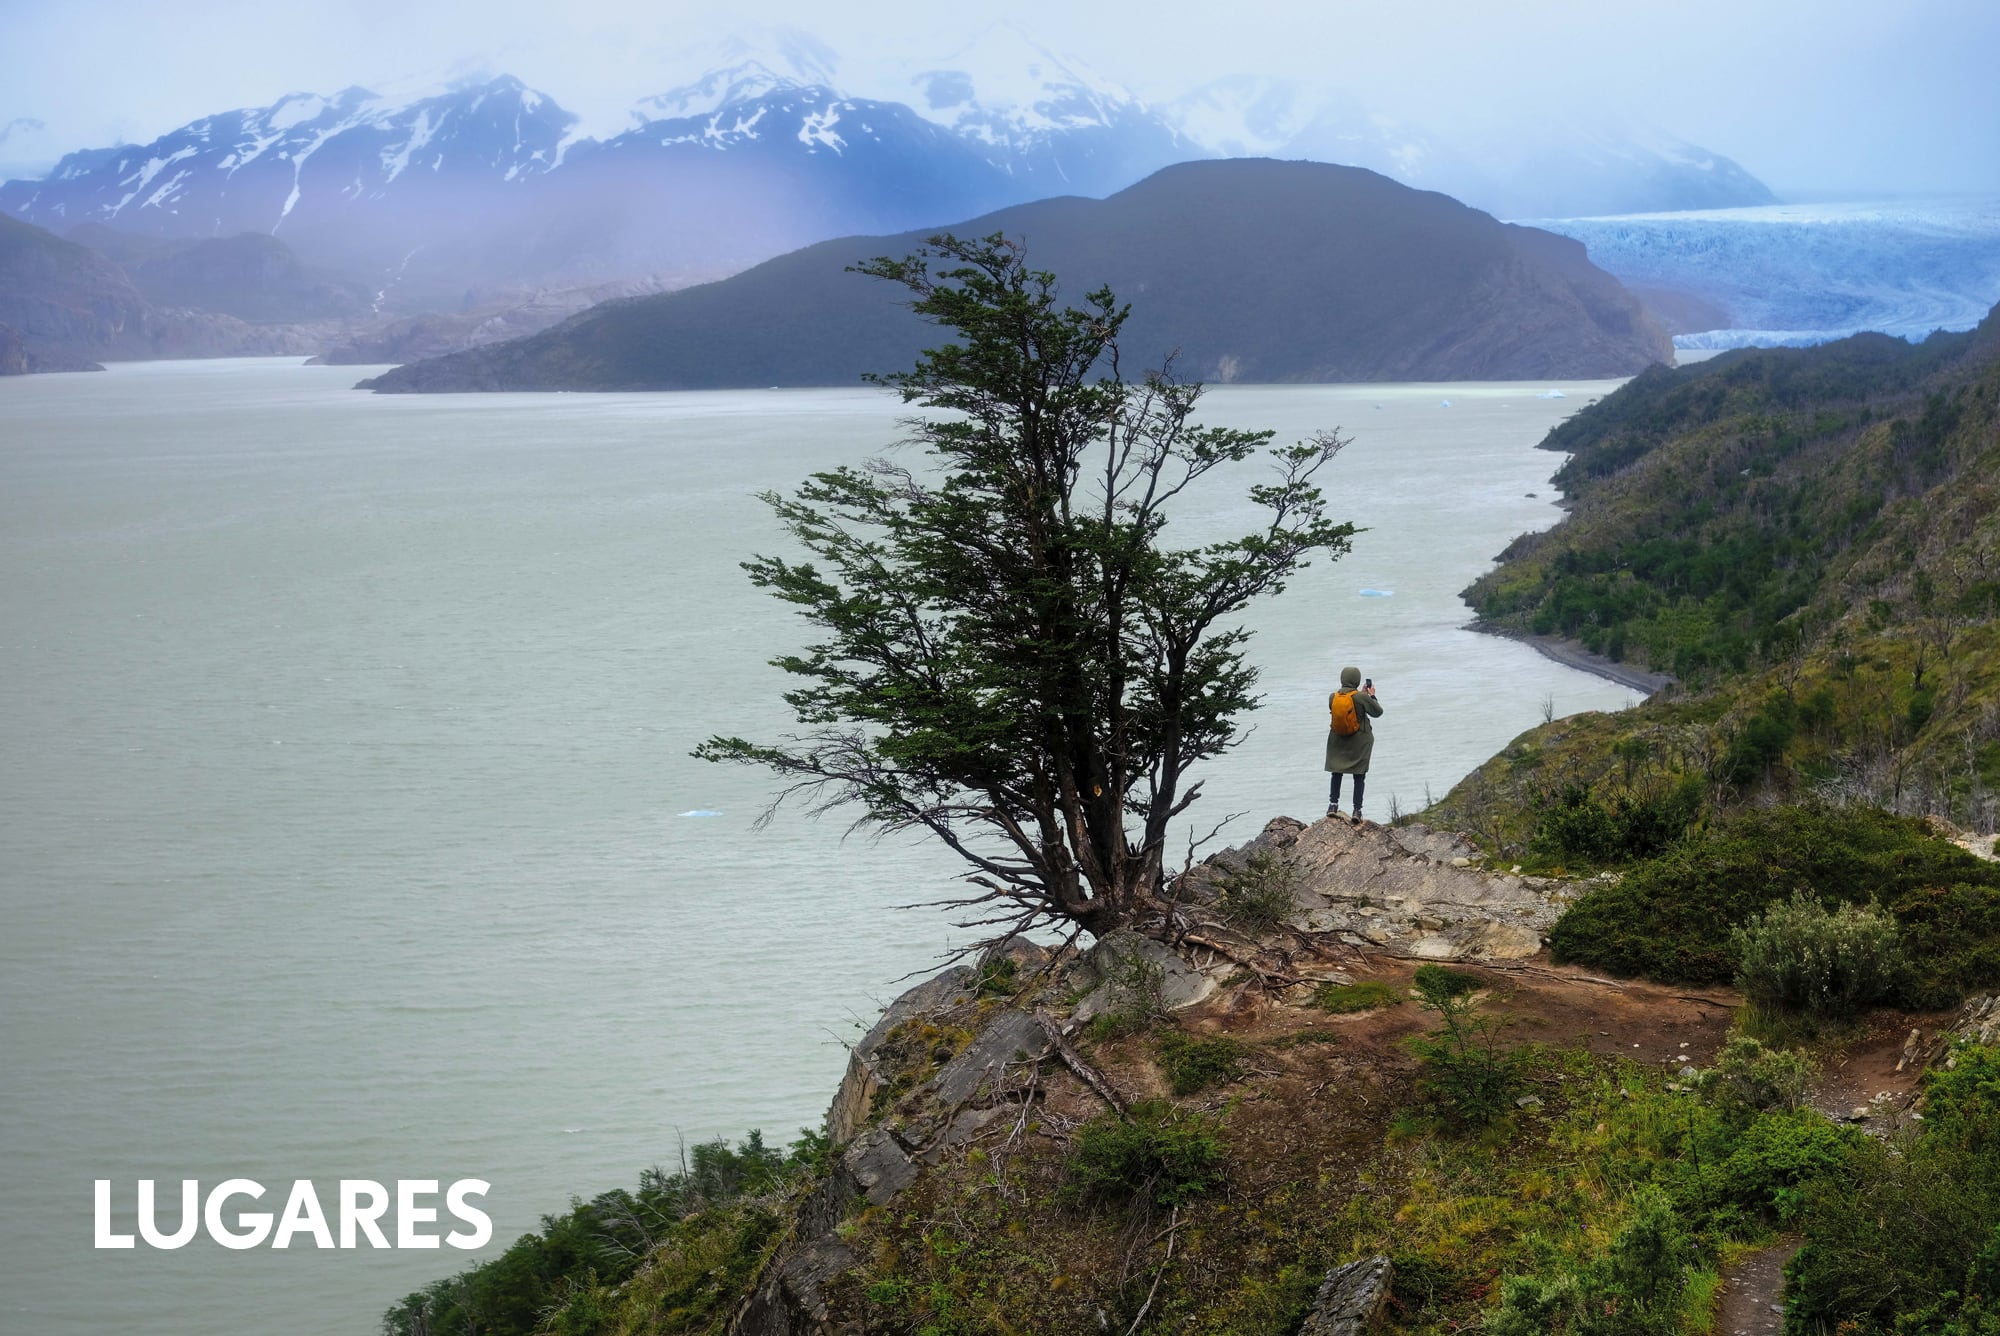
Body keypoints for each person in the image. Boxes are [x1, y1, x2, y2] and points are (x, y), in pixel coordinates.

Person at [1325, 666, 1383, 824]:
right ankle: (1357, 810)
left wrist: (1361, 696)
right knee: (1359, 775)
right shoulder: (1361, 697)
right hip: (1359, 741)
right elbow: (1377, 712)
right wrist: (1371, 696)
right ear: (1357, 680)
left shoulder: (1333, 697)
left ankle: (1333, 805)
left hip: (1337, 741)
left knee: (1336, 772)